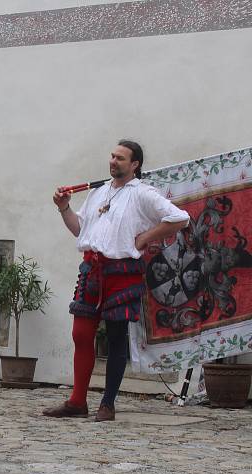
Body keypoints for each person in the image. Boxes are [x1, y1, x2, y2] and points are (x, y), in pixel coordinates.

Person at [44, 140, 189, 422]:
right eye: (112, 156)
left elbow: (179, 218)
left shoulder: (144, 194)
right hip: (92, 270)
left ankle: (107, 404)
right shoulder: (98, 193)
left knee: (116, 338)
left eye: (120, 158)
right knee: (81, 335)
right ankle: (77, 402)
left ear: (134, 165)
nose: (113, 161)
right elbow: (80, 230)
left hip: (122, 273)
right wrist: (64, 208)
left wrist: (146, 237)